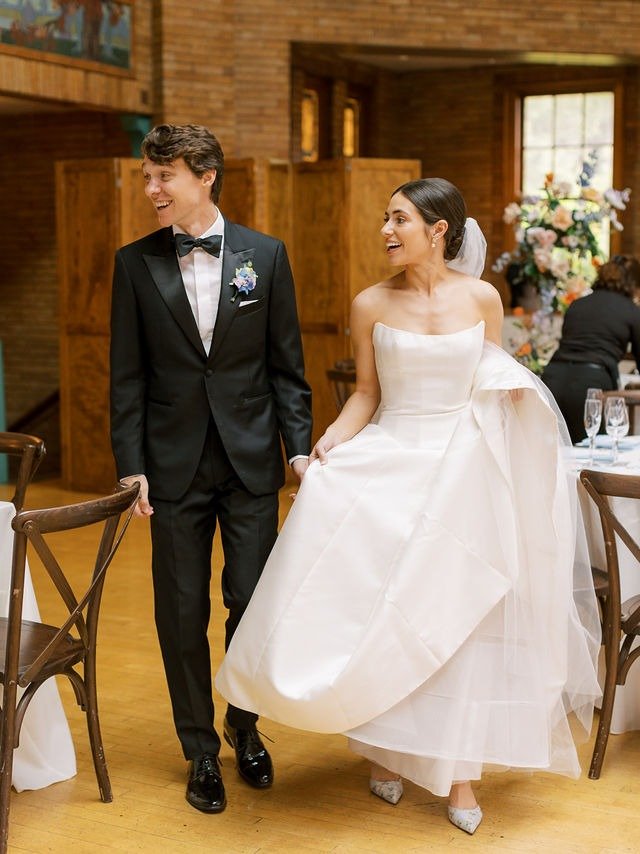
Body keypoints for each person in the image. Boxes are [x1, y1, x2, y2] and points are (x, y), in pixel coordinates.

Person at [215, 178, 601, 835]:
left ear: (439, 229)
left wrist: (513, 398)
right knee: (389, 617)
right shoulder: (370, 303)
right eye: (385, 219)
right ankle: (387, 752)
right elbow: (366, 394)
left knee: (458, 622)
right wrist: (324, 448)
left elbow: (494, 376)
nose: (386, 231)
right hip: (392, 466)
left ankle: (460, 774)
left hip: (463, 474)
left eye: (399, 219)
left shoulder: (482, 298)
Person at [109, 123, 312, 814]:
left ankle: (244, 726)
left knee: (252, 603)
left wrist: (301, 448)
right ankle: (200, 748)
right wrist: (131, 464)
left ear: (205, 176)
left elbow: (287, 367)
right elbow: (126, 377)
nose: (151, 189)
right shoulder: (133, 264)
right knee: (181, 609)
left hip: (252, 461)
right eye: (147, 175)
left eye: (163, 176)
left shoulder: (265, 255)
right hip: (171, 467)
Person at [540, 255, 640, 443]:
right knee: (594, 456)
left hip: (552, 379)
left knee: (556, 453)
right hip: (590, 386)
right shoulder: (631, 311)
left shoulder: (577, 305)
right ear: (634, 283)